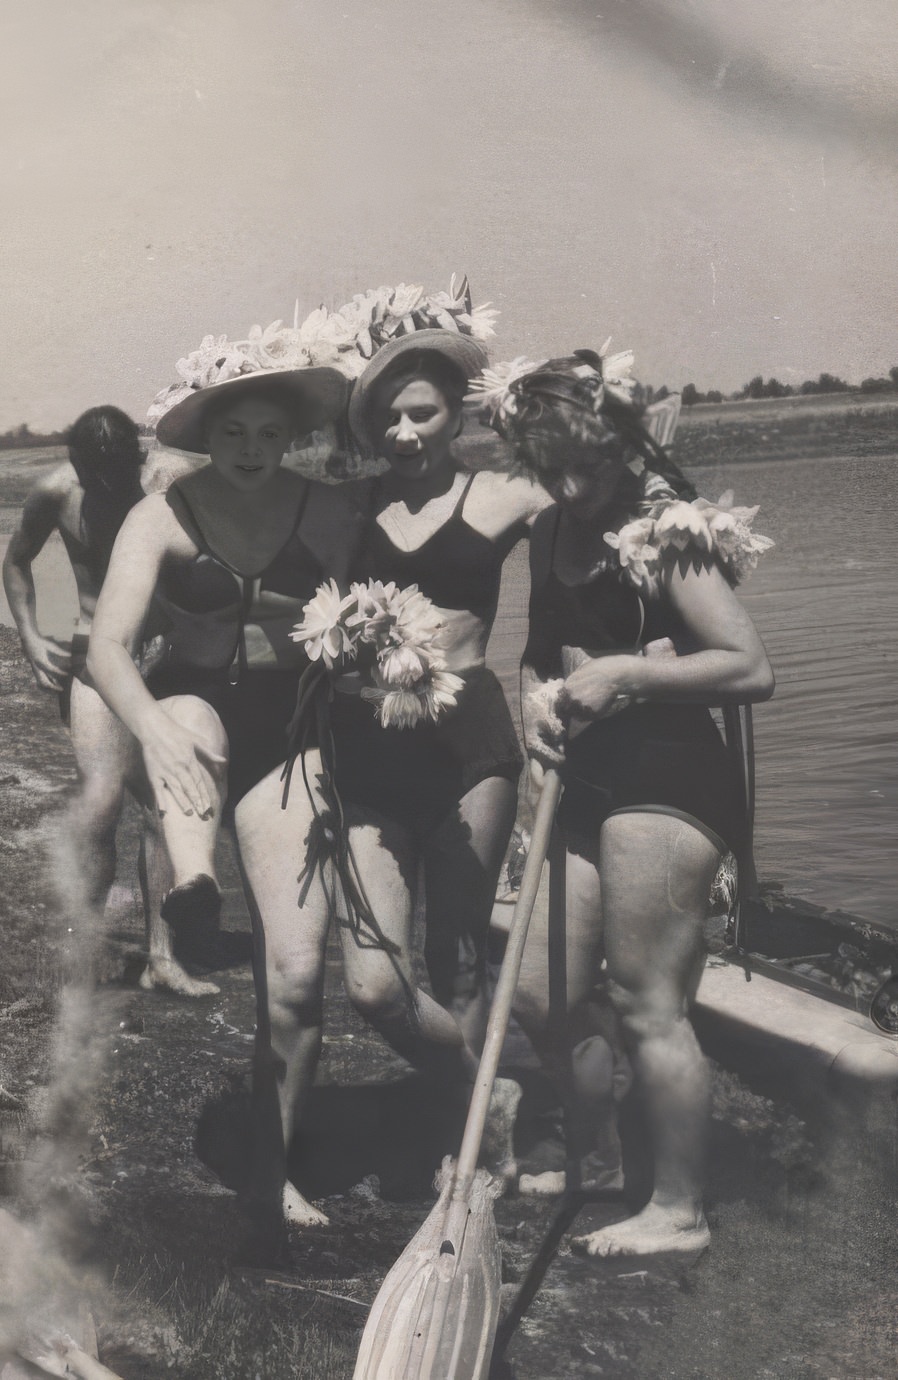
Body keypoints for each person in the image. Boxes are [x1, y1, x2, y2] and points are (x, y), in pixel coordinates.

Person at [475, 349, 774, 1256]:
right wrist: (536, 709)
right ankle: (611, 1157)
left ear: (625, 447)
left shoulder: (662, 530)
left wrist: (627, 677)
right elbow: (540, 647)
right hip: (585, 774)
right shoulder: (549, 530)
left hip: (671, 778)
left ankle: (679, 1210)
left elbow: (751, 668)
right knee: (537, 991)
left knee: (648, 1000)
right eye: (550, 468)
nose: (571, 486)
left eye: (590, 466)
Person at [86, 365, 352, 1008]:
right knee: (189, 725)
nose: (251, 449)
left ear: (292, 437)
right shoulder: (159, 517)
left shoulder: (331, 513)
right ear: (207, 436)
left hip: (290, 712)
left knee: (293, 960)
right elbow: (107, 645)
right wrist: (151, 729)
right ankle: (196, 883)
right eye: (233, 433)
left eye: (268, 433)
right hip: (191, 693)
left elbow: (348, 634)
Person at [1, 406, 212, 996]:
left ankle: (162, 958)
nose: (108, 490)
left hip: (165, 659)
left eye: (119, 477)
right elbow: (16, 561)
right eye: (96, 480)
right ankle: (84, 952)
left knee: (161, 807)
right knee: (101, 804)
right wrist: (28, 634)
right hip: (95, 659)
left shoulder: (170, 479)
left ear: (138, 460)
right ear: (75, 466)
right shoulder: (54, 491)